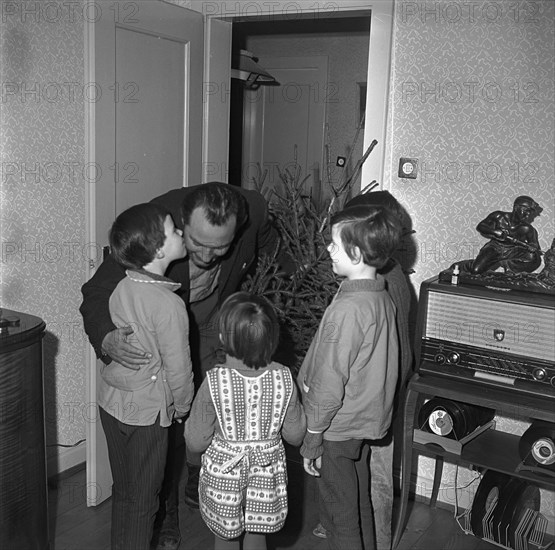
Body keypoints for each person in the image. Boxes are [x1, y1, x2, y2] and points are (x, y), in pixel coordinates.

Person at [80, 182, 280, 550]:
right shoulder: (157, 222)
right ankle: (166, 515)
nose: (208, 255)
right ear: (179, 225)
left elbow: (272, 249)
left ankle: (198, 474)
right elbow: (95, 291)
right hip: (170, 324)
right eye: (197, 243)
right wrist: (107, 337)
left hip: (212, 318)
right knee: (168, 423)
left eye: (221, 246)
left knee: (214, 406)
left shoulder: (255, 209)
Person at [312, 191, 414, 550]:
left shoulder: (361, 301)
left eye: (335, 244)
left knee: (349, 512)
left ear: (358, 250)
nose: (328, 250)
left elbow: (330, 377)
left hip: (345, 420)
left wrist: (313, 433)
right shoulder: (378, 291)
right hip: (367, 415)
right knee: (360, 501)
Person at [98, 203, 194, 550]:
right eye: (173, 230)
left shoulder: (124, 286)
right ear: (157, 250)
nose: (181, 233)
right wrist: (183, 406)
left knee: (124, 492)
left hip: (111, 403)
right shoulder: (169, 305)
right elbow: (179, 368)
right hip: (147, 415)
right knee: (143, 502)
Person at [184, 292, 306, 550]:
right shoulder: (284, 378)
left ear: (222, 338)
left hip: (225, 474)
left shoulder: (215, 382)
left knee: (225, 534)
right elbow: (295, 435)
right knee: (257, 530)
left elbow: (195, 441)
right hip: (266, 471)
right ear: (272, 339)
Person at [470, 195, 543, 275]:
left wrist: (532, 246)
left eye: (530, 213)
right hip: (495, 248)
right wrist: (495, 232)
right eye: (526, 211)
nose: (528, 215)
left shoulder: (527, 228)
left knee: (534, 258)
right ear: (516, 207)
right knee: (476, 270)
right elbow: (481, 226)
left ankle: (509, 268)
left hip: (513, 251)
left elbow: (534, 244)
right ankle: (467, 265)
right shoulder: (499, 216)